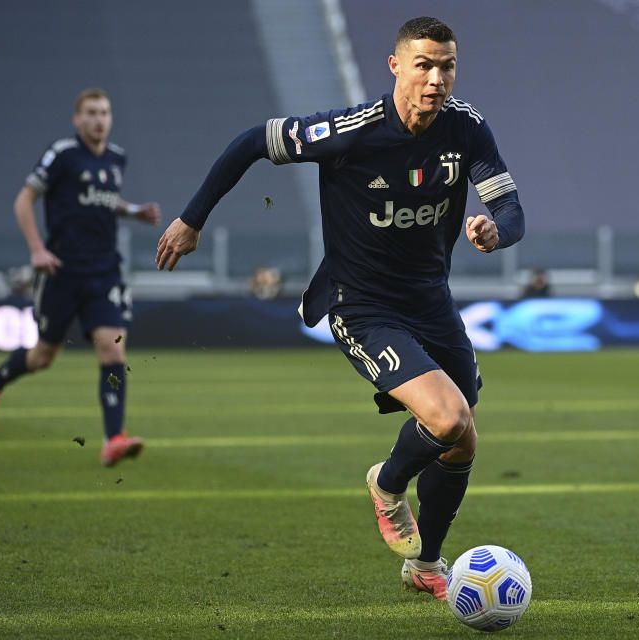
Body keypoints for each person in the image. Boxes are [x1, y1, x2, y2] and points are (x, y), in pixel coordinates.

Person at [155, 17, 524, 600]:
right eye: (423, 65)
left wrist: (493, 232)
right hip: (363, 305)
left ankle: (425, 563)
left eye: (446, 65)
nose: (435, 79)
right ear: (395, 66)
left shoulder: (467, 128)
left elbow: (512, 212)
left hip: (432, 301)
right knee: (449, 419)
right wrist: (191, 219)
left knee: (462, 439)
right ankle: (387, 482)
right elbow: (255, 140)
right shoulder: (352, 131)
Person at [0, 88, 161, 467]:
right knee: (43, 356)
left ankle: (113, 438)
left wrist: (134, 211)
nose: (99, 119)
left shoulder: (116, 159)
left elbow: (104, 199)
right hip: (61, 270)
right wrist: (37, 250)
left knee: (112, 348)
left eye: (104, 112)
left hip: (104, 270)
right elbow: (24, 200)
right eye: (91, 112)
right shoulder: (61, 155)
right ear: (77, 119)